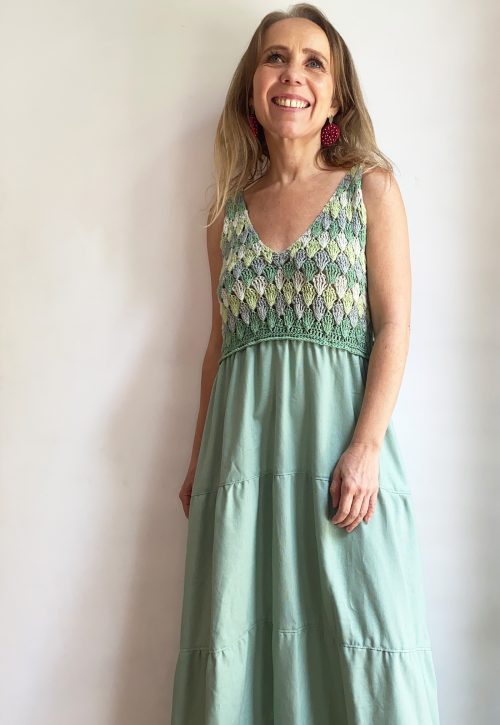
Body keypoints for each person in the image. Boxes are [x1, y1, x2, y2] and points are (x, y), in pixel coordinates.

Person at [170, 3, 441, 723]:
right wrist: (199, 460)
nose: (293, 74)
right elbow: (219, 344)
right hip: (243, 464)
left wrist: (366, 447)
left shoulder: (369, 188)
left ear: (336, 96)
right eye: (276, 58)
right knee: (242, 645)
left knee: (364, 641)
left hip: (340, 462)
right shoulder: (224, 214)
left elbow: (395, 326)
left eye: (313, 62)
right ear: (252, 87)